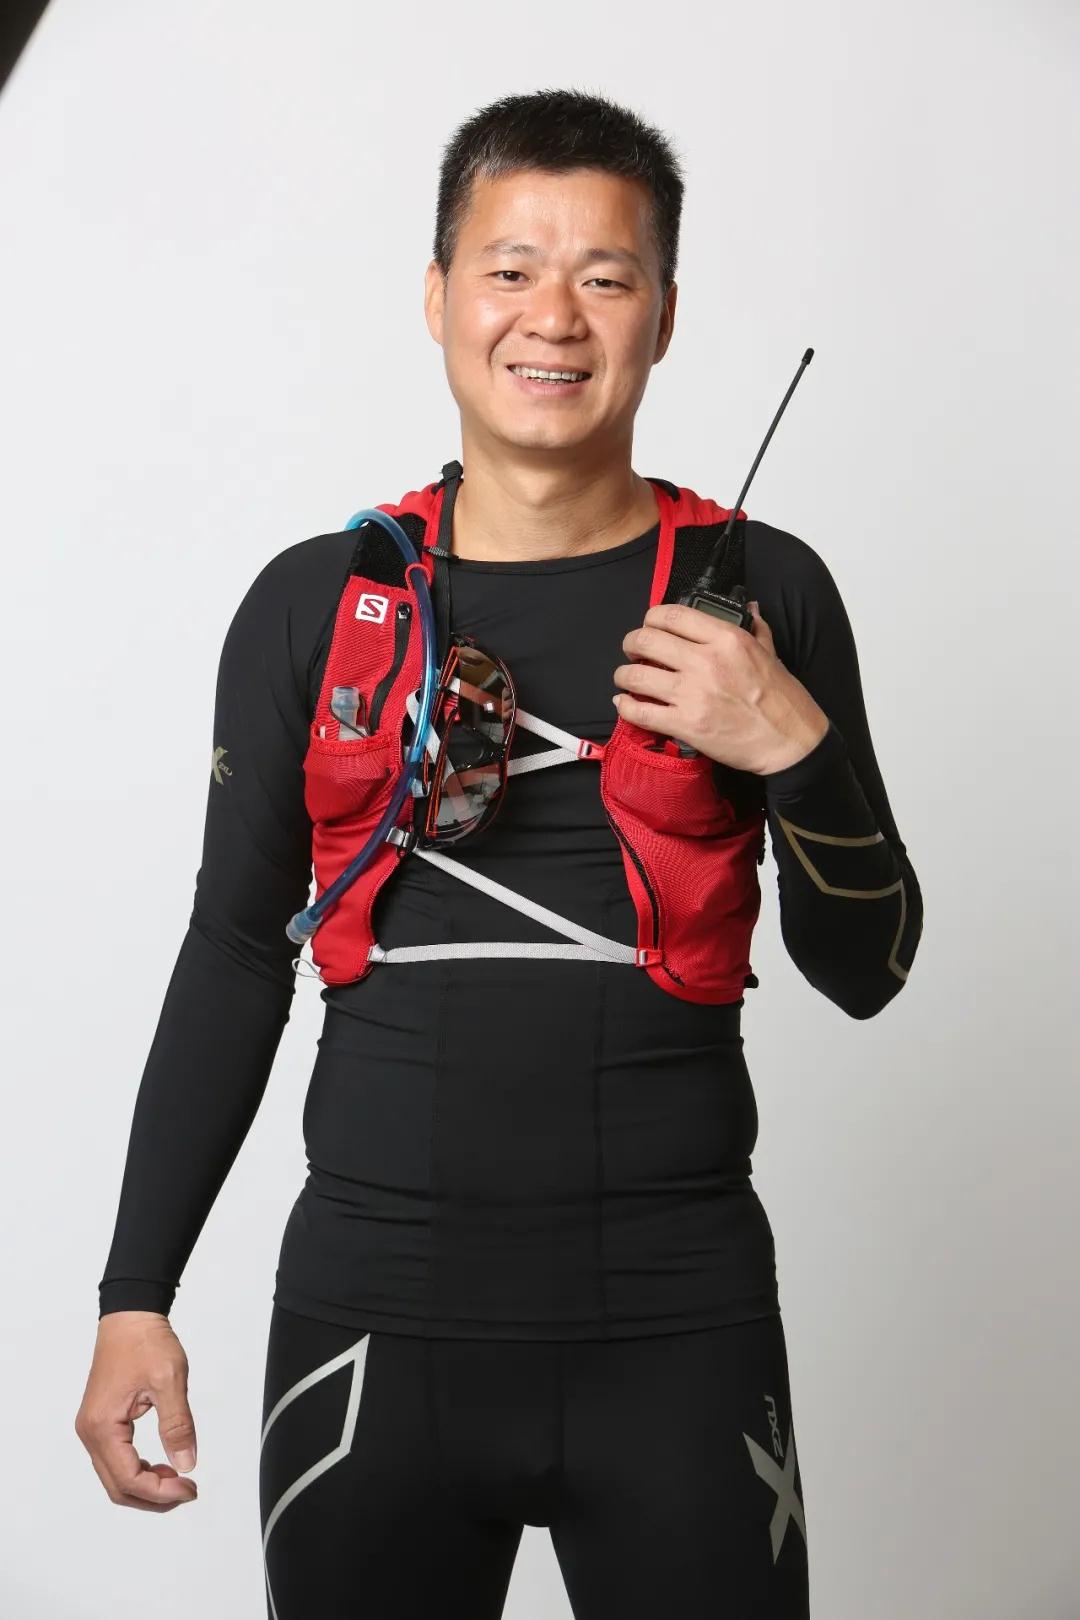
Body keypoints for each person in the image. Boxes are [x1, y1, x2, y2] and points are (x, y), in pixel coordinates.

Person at [74, 87, 923, 1619]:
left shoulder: (764, 593)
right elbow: (233, 950)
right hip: (369, 1323)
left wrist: (792, 745)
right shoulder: (316, 601)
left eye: (606, 275)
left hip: (680, 1324)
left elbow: (869, 969)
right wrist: (136, 1292)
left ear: (664, 315)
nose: (554, 316)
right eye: (511, 268)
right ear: (438, 296)